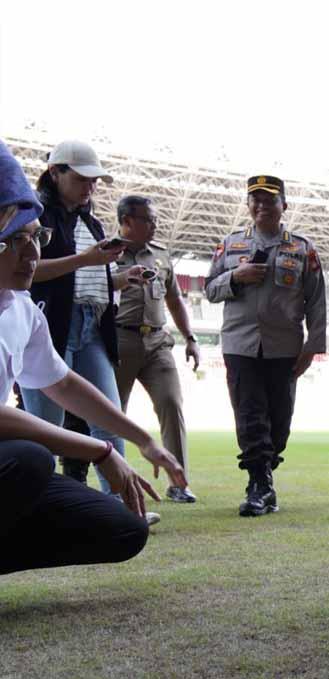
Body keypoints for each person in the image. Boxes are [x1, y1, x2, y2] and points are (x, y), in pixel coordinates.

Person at [0, 139, 187, 575]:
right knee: (29, 458)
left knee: (122, 530)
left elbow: (62, 382)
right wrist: (102, 450)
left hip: (86, 327)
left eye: (36, 238)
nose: (32, 254)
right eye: (14, 241)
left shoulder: (20, 309)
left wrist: (143, 439)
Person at [19, 141, 145, 501]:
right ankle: (33, 503)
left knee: (108, 415)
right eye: (82, 178)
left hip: (93, 324)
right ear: (55, 173)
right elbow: (25, 272)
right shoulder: (33, 216)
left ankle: (121, 503)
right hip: (51, 326)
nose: (91, 187)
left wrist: (119, 277)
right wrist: (86, 260)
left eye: (95, 180)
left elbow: (88, 277)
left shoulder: (90, 221)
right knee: (44, 427)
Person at [204, 175, 326, 517]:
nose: (261, 205)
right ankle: (258, 483)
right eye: (255, 199)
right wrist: (235, 278)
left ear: (283, 206)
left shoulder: (302, 248)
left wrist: (312, 346)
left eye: (269, 200)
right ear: (248, 206)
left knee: (279, 421)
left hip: (284, 347)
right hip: (240, 344)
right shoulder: (230, 245)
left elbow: (317, 301)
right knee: (250, 415)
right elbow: (210, 290)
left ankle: (265, 477)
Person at [112, 195, 200, 503]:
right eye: (147, 220)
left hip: (158, 342)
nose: (155, 225)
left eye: (154, 219)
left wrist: (190, 337)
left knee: (171, 403)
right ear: (126, 222)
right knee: (112, 413)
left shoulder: (161, 256)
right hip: (119, 340)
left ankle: (180, 483)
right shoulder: (106, 252)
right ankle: (114, 485)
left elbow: (174, 300)